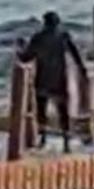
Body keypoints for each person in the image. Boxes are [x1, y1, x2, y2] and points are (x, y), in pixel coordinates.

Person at [18, 11, 88, 153]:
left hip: (43, 80)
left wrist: (20, 48)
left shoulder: (38, 38)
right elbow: (75, 55)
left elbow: (26, 58)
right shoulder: (63, 36)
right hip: (59, 79)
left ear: (45, 23)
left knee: (41, 110)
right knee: (63, 111)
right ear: (57, 23)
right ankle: (66, 143)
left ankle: (43, 139)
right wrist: (83, 70)